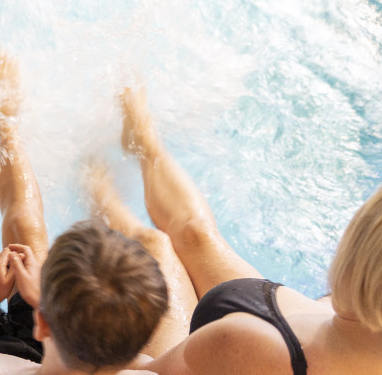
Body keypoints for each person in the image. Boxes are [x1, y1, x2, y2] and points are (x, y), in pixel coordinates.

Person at [0, 50, 196, 375]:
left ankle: (6, 125)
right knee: (26, 229)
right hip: (65, 347)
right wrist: (45, 306)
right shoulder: (143, 371)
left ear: (43, 321)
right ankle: (7, 129)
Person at [116, 86, 382, 374]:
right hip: (301, 331)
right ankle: (142, 140)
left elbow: (143, 372)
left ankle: (92, 177)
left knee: (155, 246)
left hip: (259, 352)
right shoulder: (363, 325)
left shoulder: (248, 346)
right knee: (196, 234)